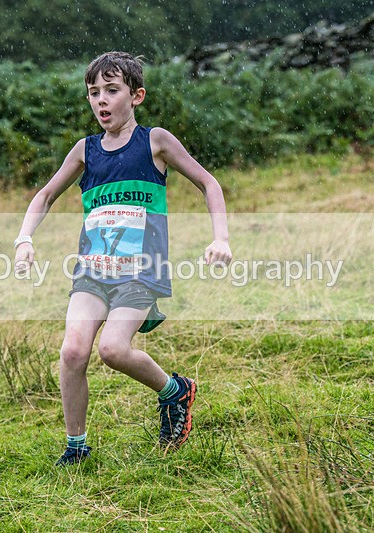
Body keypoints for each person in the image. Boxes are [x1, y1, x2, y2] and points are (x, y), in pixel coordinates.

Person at [14, 51, 232, 466]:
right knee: (73, 351)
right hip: (92, 271)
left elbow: (209, 183)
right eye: (93, 92)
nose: (101, 100)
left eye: (111, 91)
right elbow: (44, 195)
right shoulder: (85, 150)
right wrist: (24, 238)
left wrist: (220, 238)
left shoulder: (156, 142)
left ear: (136, 96)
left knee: (112, 350)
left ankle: (175, 391)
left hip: (140, 272)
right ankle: (75, 448)